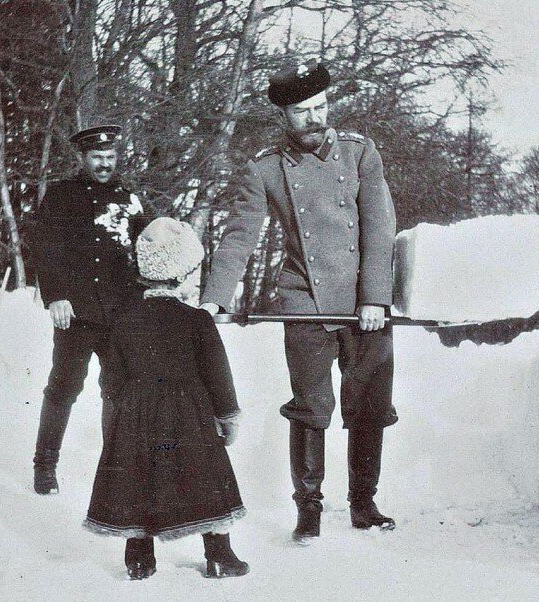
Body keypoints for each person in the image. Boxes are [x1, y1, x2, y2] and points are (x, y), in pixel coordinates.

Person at [199, 60, 398, 543]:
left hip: (361, 303)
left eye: (321, 107)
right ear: (283, 116)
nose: (315, 118)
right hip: (304, 297)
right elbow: (240, 234)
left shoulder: (359, 153)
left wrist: (374, 298)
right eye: (303, 111)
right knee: (311, 406)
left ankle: (363, 503)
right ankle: (308, 508)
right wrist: (215, 299)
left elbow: (380, 228)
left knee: (369, 403)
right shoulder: (265, 167)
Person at [84, 217, 249, 580]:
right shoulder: (196, 321)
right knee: (206, 474)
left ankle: (140, 560)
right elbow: (218, 375)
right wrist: (227, 416)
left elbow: (110, 378)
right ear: (183, 275)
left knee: (138, 479)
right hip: (189, 416)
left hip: (136, 414)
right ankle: (219, 555)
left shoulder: (123, 320)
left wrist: (122, 411)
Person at [30, 125, 154, 495]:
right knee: (64, 388)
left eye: (110, 157)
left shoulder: (129, 200)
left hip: (120, 313)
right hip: (76, 313)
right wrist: (56, 296)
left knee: (117, 391)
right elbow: (45, 247)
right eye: (97, 157)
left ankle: (115, 468)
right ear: (83, 158)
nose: (104, 164)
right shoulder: (61, 196)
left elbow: (145, 250)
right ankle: (45, 465)